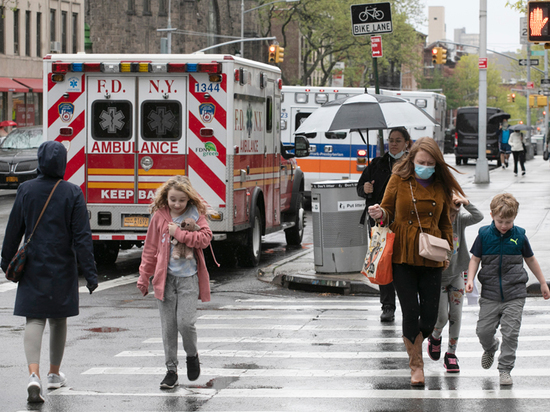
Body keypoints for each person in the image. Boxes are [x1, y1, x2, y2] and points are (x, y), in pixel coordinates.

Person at [1, 141, 98, 403]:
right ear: (62, 163)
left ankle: (34, 375)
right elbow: (82, 237)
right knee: (58, 320)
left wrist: (6, 262)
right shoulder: (72, 192)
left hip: (32, 264)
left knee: (34, 320)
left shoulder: (26, 189)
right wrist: (90, 274)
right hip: (62, 265)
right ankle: (54, 374)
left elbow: (13, 230)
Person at [368, 137, 465, 387]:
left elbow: (445, 222)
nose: (426, 167)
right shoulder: (398, 179)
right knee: (410, 311)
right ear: (412, 159)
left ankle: (424, 339)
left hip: (431, 255)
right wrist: (380, 213)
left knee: (430, 318)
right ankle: (416, 366)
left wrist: (447, 251)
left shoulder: (441, 185)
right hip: (402, 254)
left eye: (431, 164)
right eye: (422, 162)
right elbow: (388, 211)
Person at [466, 193, 550, 386]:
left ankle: (505, 369)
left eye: (508, 222)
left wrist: (543, 283)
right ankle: (490, 347)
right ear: (492, 216)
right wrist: (470, 279)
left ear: (515, 218)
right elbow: (475, 259)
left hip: (515, 294)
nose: (504, 225)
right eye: (500, 221)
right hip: (490, 294)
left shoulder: (519, 235)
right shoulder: (484, 235)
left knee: (511, 333)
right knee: (483, 331)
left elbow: (530, 259)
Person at [137, 175, 212, 389]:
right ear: (166, 198)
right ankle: (171, 371)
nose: (177, 204)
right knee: (169, 328)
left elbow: (205, 239)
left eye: (181, 200)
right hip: (165, 280)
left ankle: (192, 355)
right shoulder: (159, 217)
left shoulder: (196, 215)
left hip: (188, 280)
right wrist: (144, 277)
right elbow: (150, 249)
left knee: (185, 323)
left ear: (189, 199)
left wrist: (178, 233)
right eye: (173, 200)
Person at [357, 127, 412, 322]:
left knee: (404, 264)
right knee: (383, 262)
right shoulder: (377, 163)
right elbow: (360, 187)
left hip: (404, 221)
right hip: (379, 222)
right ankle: (388, 306)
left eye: (398, 140)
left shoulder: (412, 163)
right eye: (391, 140)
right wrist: (365, 188)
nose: (393, 144)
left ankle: (409, 305)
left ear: (407, 143)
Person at [427, 194, 483, 373]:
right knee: (442, 317)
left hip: (456, 275)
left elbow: (479, 216)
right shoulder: (434, 223)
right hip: (439, 278)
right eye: (449, 214)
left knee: (456, 315)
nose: (451, 218)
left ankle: (451, 354)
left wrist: (466, 203)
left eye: (454, 214)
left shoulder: (460, 220)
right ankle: (435, 336)